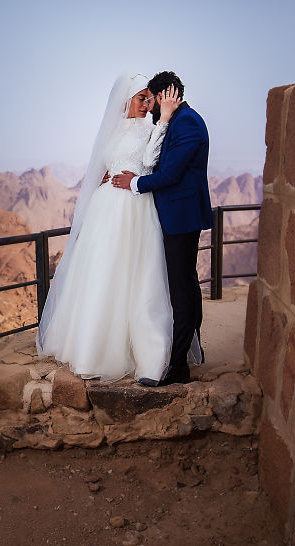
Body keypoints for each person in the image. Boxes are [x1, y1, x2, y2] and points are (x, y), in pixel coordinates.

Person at [36, 72, 180, 383]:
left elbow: (152, 160)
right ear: (126, 99)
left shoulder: (152, 129)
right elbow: (103, 164)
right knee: (100, 273)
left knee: (137, 275)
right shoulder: (112, 131)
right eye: (141, 98)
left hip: (134, 208)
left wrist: (164, 120)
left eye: (150, 98)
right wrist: (105, 176)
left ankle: (145, 353)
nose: (147, 103)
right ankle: (90, 349)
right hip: (105, 210)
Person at [118, 71, 214, 385]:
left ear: (163, 97)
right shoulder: (178, 120)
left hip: (181, 218)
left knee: (180, 289)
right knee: (186, 283)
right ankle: (190, 351)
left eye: (153, 100)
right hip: (176, 215)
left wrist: (132, 182)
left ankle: (177, 367)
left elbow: (170, 174)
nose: (152, 109)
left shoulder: (187, 123)